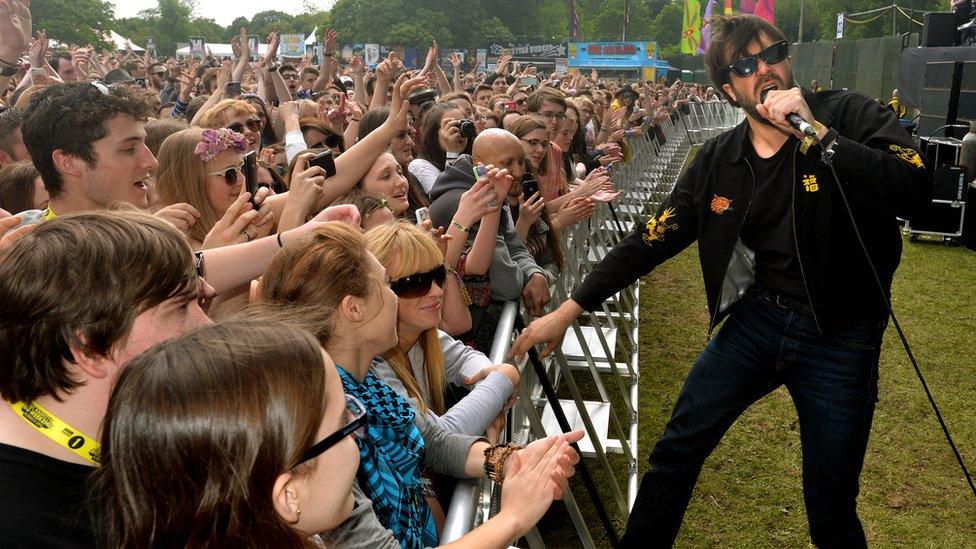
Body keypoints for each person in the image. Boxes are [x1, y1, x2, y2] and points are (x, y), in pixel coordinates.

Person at [511, 14, 932, 548]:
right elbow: (651, 238)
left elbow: (915, 187)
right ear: (728, 89)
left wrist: (820, 135)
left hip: (842, 334)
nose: (765, 70)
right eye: (745, 65)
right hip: (760, 320)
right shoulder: (719, 159)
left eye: (773, 54)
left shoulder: (845, 113)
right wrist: (569, 310)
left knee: (830, 500)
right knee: (675, 452)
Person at [258, 222, 582, 549]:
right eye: (388, 284)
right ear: (352, 308)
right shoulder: (324, 413)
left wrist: (509, 461)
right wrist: (513, 517)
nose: (394, 297)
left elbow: (432, 439)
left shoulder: (364, 381)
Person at [365, 221, 518, 436]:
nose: (437, 292)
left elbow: (467, 359)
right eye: (416, 283)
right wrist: (503, 380)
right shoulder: (371, 365)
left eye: (438, 276)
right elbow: (437, 438)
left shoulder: (423, 335)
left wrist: (490, 396)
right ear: (380, 291)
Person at [21, 82, 156, 218]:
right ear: (69, 162)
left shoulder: (158, 231)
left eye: (145, 143)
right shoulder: (18, 236)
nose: (152, 162)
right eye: (129, 149)